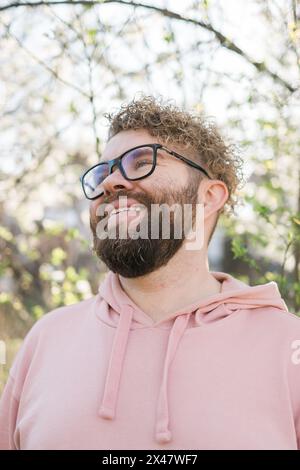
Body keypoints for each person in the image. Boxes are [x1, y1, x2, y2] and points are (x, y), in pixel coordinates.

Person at [1, 95, 300, 450]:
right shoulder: (45, 340)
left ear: (208, 197)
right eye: (103, 172)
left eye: (141, 161)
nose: (111, 182)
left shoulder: (287, 347)